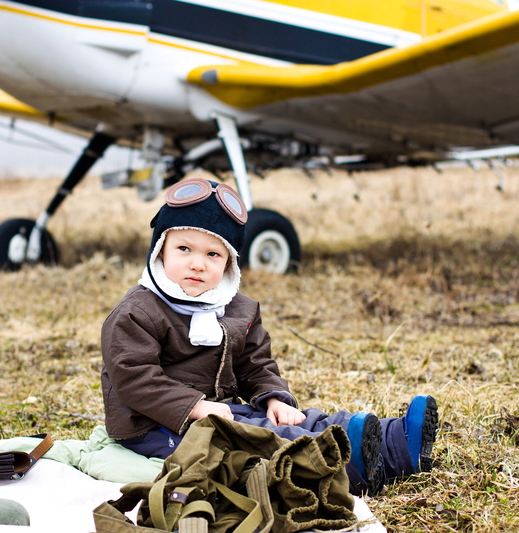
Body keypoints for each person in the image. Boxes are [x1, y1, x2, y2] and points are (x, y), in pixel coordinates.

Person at [100, 177, 438, 495]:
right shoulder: (138, 312)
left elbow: (255, 363)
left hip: (222, 410)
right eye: (184, 249)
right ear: (160, 250)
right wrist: (195, 406)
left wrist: (274, 397)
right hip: (155, 427)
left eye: (212, 254)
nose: (197, 264)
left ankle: (396, 442)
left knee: (302, 419)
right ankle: (350, 468)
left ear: (229, 263)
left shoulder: (236, 309)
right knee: (264, 439)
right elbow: (134, 378)